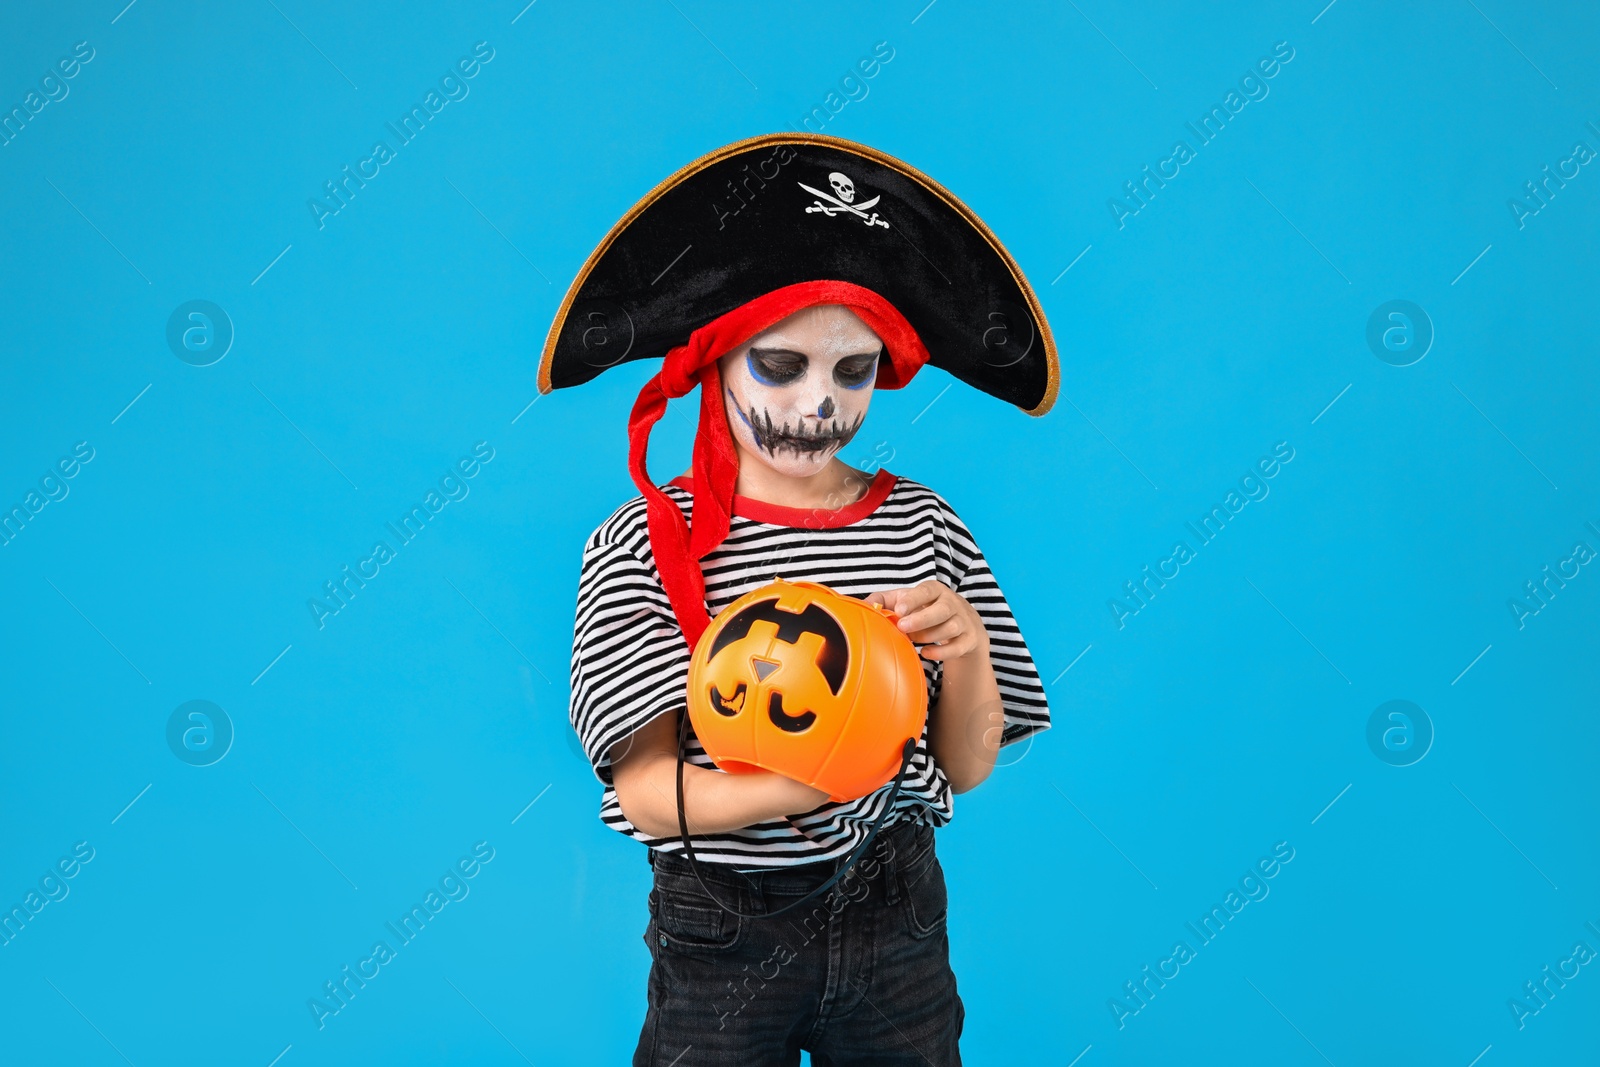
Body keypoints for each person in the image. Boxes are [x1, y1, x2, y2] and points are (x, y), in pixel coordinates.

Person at [541, 134, 1058, 1066]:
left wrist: (970, 650)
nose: (820, 404)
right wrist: (814, 780)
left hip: (895, 911)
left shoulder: (921, 524)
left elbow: (968, 766)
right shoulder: (644, 544)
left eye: (851, 371)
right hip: (724, 927)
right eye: (782, 367)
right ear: (715, 362)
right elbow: (650, 794)